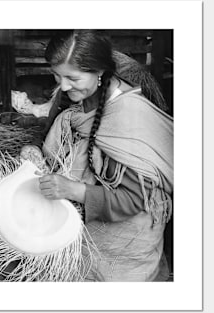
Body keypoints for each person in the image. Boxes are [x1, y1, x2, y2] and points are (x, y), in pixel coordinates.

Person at [36, 30, 173, 281]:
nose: (62, 85)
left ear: (99, 72)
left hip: (126, 236)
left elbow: (133, 201)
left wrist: (73, 190)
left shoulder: (128, 119)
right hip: (87, 214)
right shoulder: (80, 94)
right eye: (57, 75)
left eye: (72, 78)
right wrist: (34, 155)